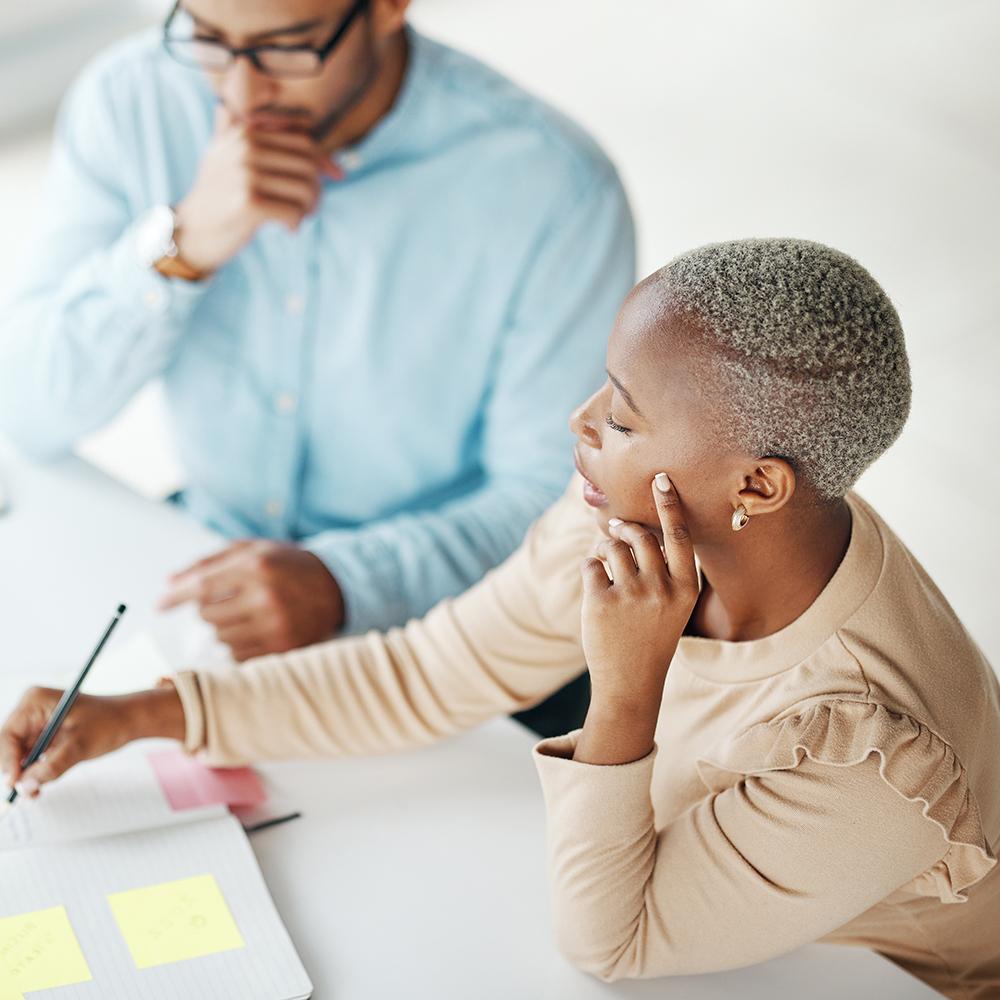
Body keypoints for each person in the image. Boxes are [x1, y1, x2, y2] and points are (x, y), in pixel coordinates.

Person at [3, 239, 997, 998]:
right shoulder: (642, 515)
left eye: (620, 416)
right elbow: (422, 675)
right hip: (736, 909)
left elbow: (613, 940)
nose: (577, 425)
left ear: (758, 483)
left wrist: (625, 686)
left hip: (877, 977)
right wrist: (142, 713)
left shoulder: (869, 756)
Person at [0, 0, 635, 689]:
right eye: (210, 40)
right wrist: (181, 244)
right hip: (204, 567)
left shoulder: (555, 187)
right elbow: (27, 404)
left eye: (287, 48)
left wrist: (345, 582)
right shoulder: (132, 101)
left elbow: (561, 501)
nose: (240, 95)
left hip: (445, 630)